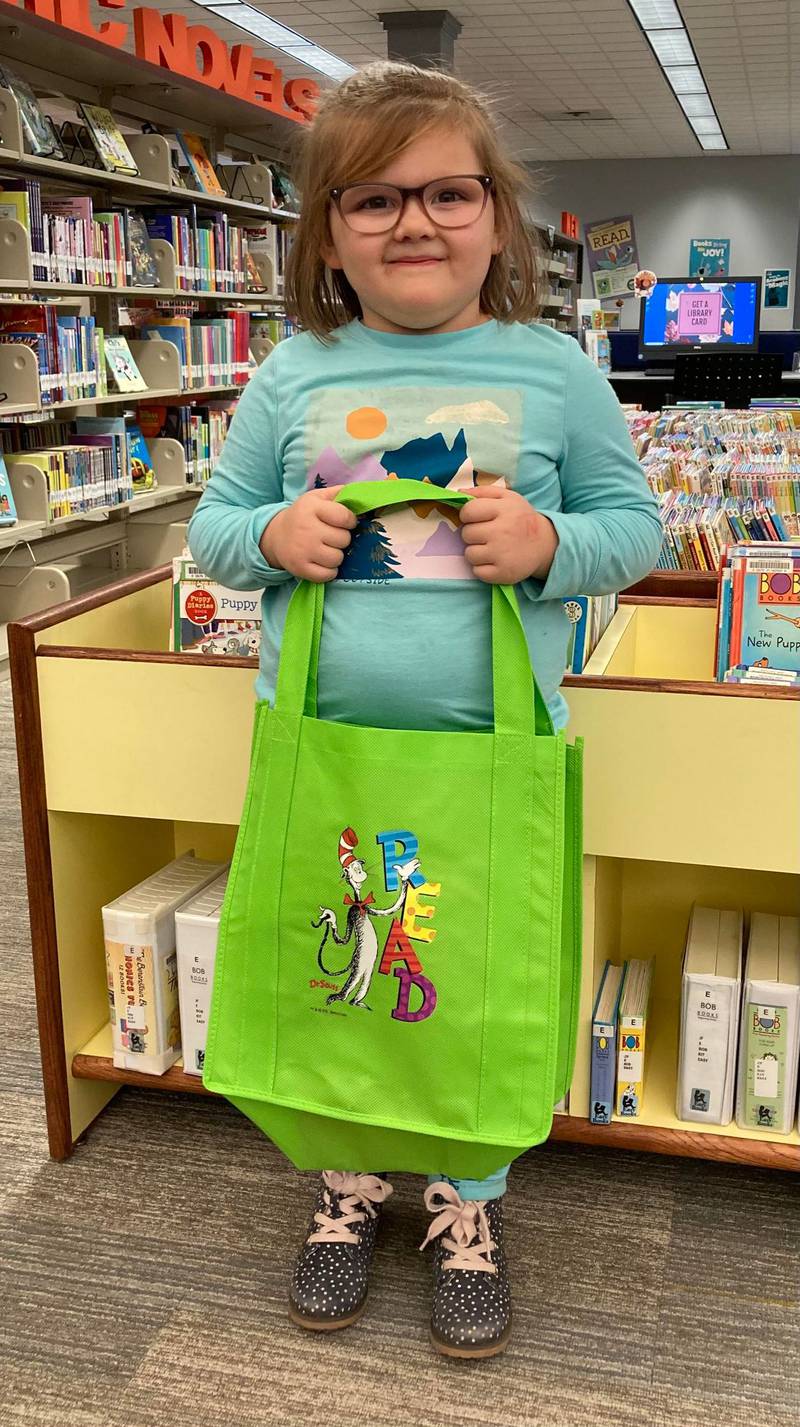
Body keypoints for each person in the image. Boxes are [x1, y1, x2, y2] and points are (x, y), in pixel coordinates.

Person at [187, 60, 662, 1360]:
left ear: (496, 218)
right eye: (375, 197)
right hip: (326, 758)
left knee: (470, 982)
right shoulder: (295, 374)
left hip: (490, 758)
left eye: (448, 192)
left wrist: (554, 544)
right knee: (346, 974)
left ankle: (467, 1199)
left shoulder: (553, 372)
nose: (415, 222)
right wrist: (273, 531)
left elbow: (637, 525)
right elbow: (213, 530)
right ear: (328, 232)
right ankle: (345, 1186)